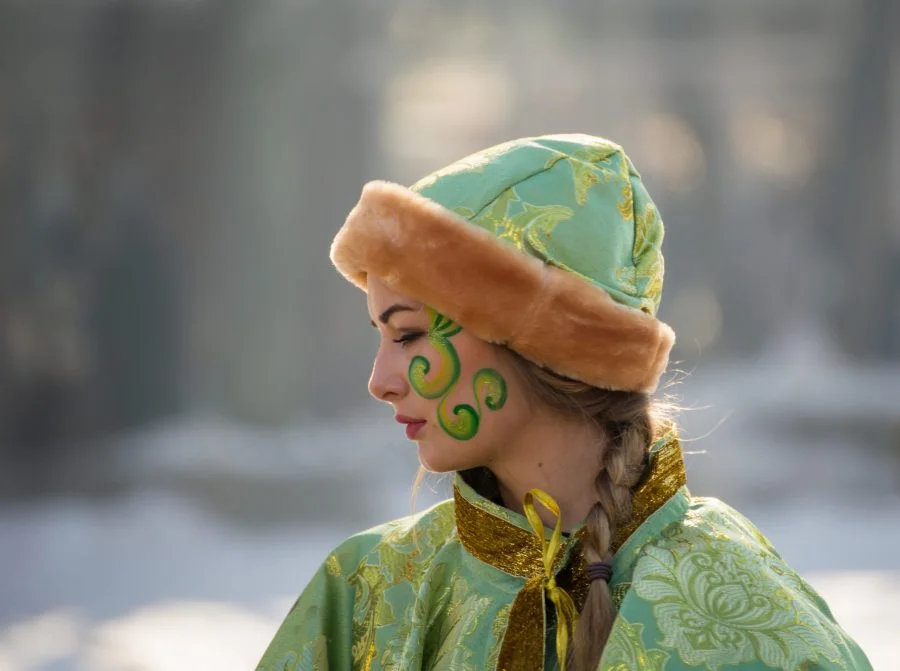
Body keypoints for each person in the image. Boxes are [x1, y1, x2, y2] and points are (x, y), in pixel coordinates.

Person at [256, 135, 872, 670]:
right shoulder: (367, 596)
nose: (380, 381)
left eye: (408, 334)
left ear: (531, 341)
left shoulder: (744, 613)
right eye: (380, 336)